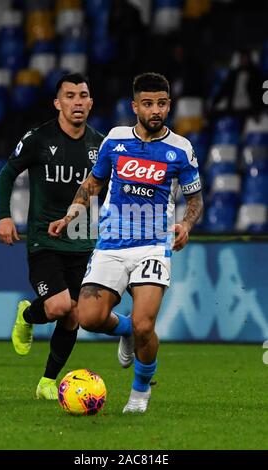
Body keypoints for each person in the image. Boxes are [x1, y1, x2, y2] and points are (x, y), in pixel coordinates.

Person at [48, 72, 203, 413]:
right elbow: (92, 184)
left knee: (145, 322)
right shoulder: (115, 141)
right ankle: (126, 332)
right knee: (88, 317)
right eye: (148, 104)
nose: (155, 110)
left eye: (161, 103)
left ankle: (140, 392)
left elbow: (195, 201)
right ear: (135, 107)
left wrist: (186, 225)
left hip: (153, 245)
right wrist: (69, 217)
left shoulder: (180, 149)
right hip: (111, 245)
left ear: (169, 105)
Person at [0, 73, 132, 400]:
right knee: (58, 306)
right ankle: (28, 315)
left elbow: (117, 189)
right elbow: (6, 173)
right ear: (58, 103)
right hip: (46, 240)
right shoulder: (38, 139)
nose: (77, 102)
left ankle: (47, 381)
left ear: (91, 102)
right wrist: (3, 215)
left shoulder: (101, 145)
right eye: (70, 96)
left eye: (83, 95)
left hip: (85, 242)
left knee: (74, 315)